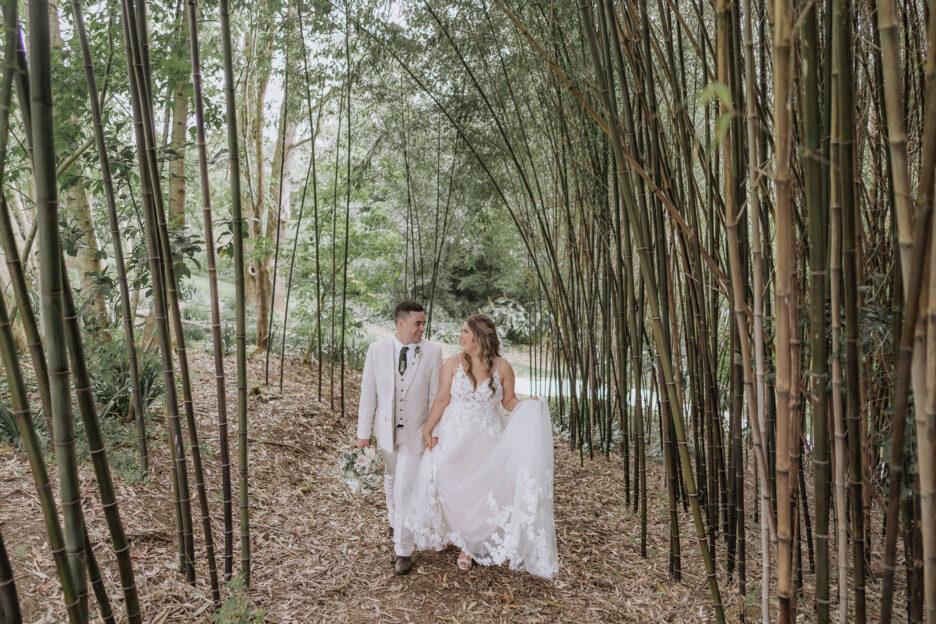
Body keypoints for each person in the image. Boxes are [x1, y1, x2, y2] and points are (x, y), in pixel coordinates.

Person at [406, 314, 558, 578]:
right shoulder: (453, 363)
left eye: (466, 331)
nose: (461, 336)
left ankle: (469, 545)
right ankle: (458, 532)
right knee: (450, 482)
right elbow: (442, 399)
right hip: (455, 438)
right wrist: (428, 428)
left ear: (480, 335)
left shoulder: (503, 367)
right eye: (462, 331)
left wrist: (528, 405)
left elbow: (508, 402)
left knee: (481, 491)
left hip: (488, 440)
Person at [356, 301, 444, 575]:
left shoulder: (433, 352)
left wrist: (434, 432)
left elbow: (435, 397)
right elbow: (368, 393)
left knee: (404, 489)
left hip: (417, 434)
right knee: (391, 480)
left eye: (423, 323)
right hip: (385, 433)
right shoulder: (377, 350)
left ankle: (403, 551)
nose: (422, 328)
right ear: (400, 323)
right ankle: (395, 521)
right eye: (417, 323)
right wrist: (362, 435)